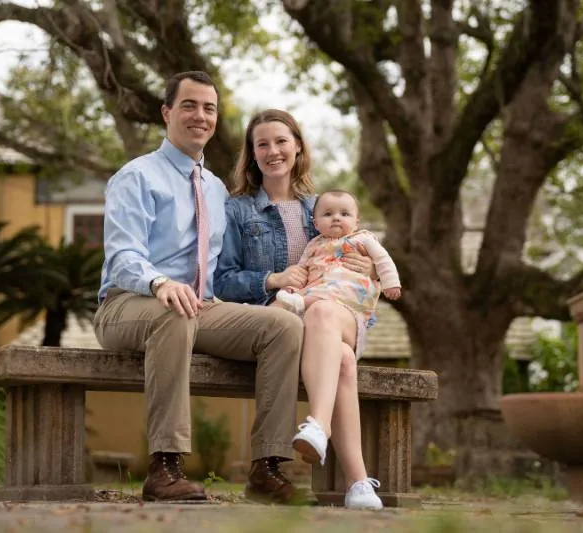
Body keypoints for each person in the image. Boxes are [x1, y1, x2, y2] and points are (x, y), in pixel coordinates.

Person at [94, 73, 305, 505]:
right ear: (167, 113)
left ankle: (267, 469)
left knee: (283, 328)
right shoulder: (136, 177)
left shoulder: (214, 189)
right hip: (128, 304)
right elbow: (122, 256)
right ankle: (165, 467)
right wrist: (159, 282)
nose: (200, 116)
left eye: (209, 108)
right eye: (189, 105)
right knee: (176, 311)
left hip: (201, 307)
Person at [214, 109, 388, 510]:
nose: (273, 151)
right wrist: (272, 280)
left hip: (335, 313)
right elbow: (221, 282)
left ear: (297, 147)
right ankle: (359, 484)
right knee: (343, 360)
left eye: (281, 141)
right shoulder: (238, 210)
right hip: (278, 319)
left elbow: (370, 263)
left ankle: (319, 427)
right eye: (262, 144)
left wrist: (372, 273)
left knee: (325, 313)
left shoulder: (323, 208)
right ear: (252, 155)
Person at [274, 189, 401, 320]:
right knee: (289, 301)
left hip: (351, 289)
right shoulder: (314, 244)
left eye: (344, 214)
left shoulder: (362, 239)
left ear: (356, 222)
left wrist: (391, 283)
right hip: (318, 288)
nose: (336, 218)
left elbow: (383, 259)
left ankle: (301, 303)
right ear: (316, 224)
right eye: (328, 214)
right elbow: (301, 269)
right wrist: (292, 287)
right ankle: (298, 304)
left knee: (329, 291)